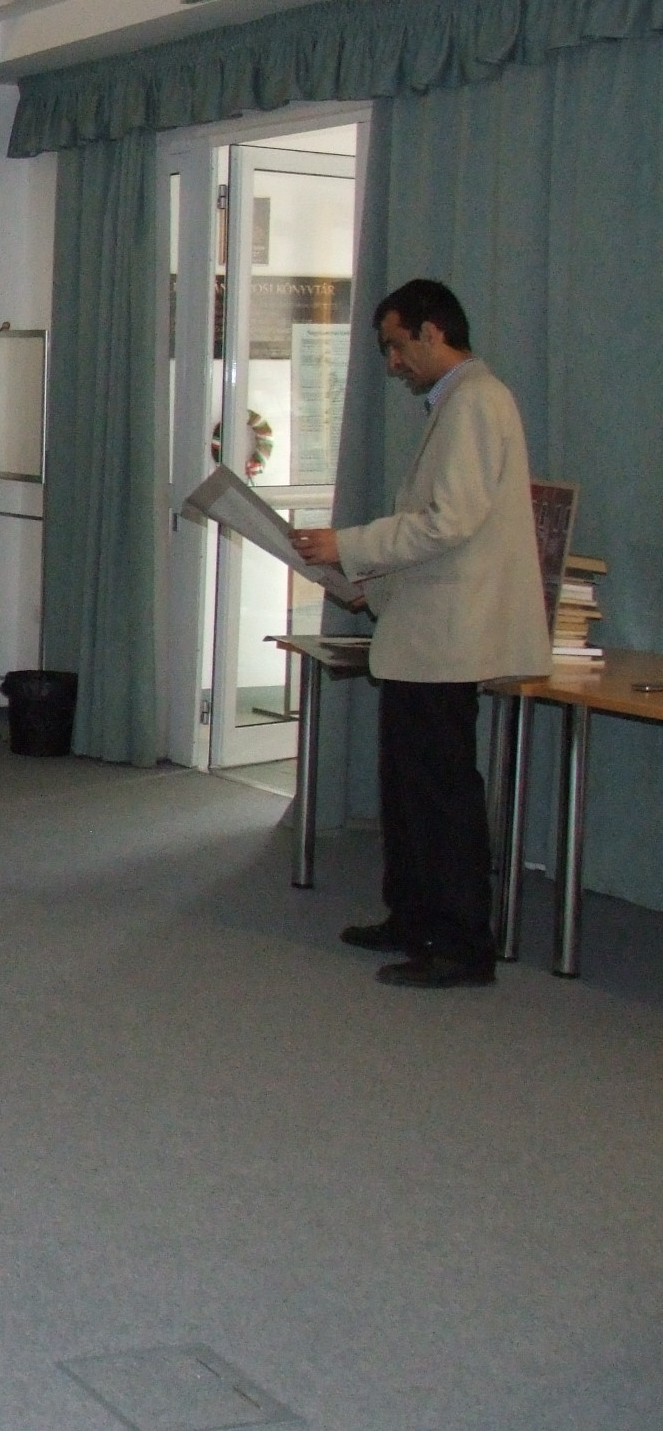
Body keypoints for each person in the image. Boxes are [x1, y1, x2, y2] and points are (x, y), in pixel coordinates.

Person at [291, 278, 549, 989]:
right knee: (409, 789)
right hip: (426, 632)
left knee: (440, 795)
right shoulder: (459, 402)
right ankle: (412, 916)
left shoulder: (477, 401)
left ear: (432, 333)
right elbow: (441, 533)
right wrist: (365, 580)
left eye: (396, 346)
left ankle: (462, 945)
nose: (393, 363)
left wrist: (349, 545)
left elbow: (447, 523)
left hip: (449, 639)